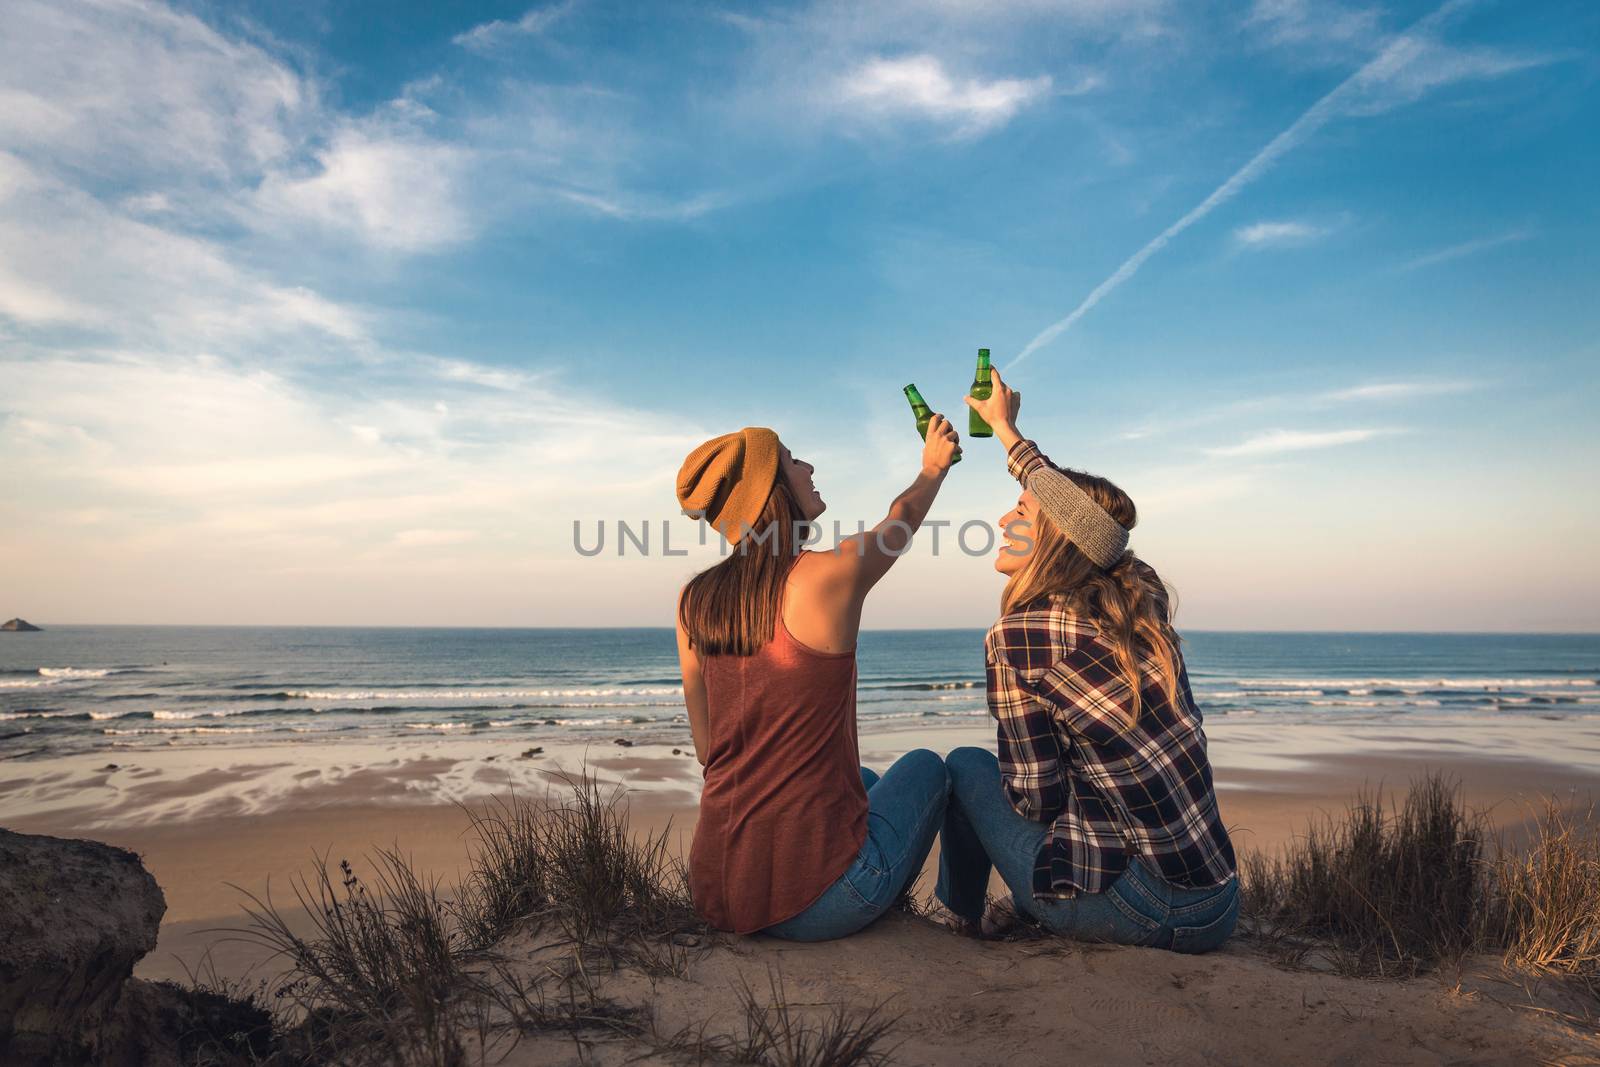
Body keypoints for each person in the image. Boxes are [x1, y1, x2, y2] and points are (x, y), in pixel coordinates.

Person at [937, 369, 1239, 953]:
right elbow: (1098, 534)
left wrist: (1007, 431)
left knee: (964, 767)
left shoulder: (1018, 636)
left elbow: (1035, 799)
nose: (1002, 522)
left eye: (1020, 514)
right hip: (1218, 906)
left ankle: (963, 922)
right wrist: (1007, 433)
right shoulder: (1140, 601)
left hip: (1137, 912)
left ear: (1055, 538)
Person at [674, 418, 960, 940]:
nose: (807, 466)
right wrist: (933, 468)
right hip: (823, 901)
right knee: (930, 768)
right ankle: (964, 915)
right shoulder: (828, 574)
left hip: (716, 894)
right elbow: (902, 519)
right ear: (772, 490)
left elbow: (706, 746)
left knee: (867, 784)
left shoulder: (695, 600)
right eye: (792, 459)